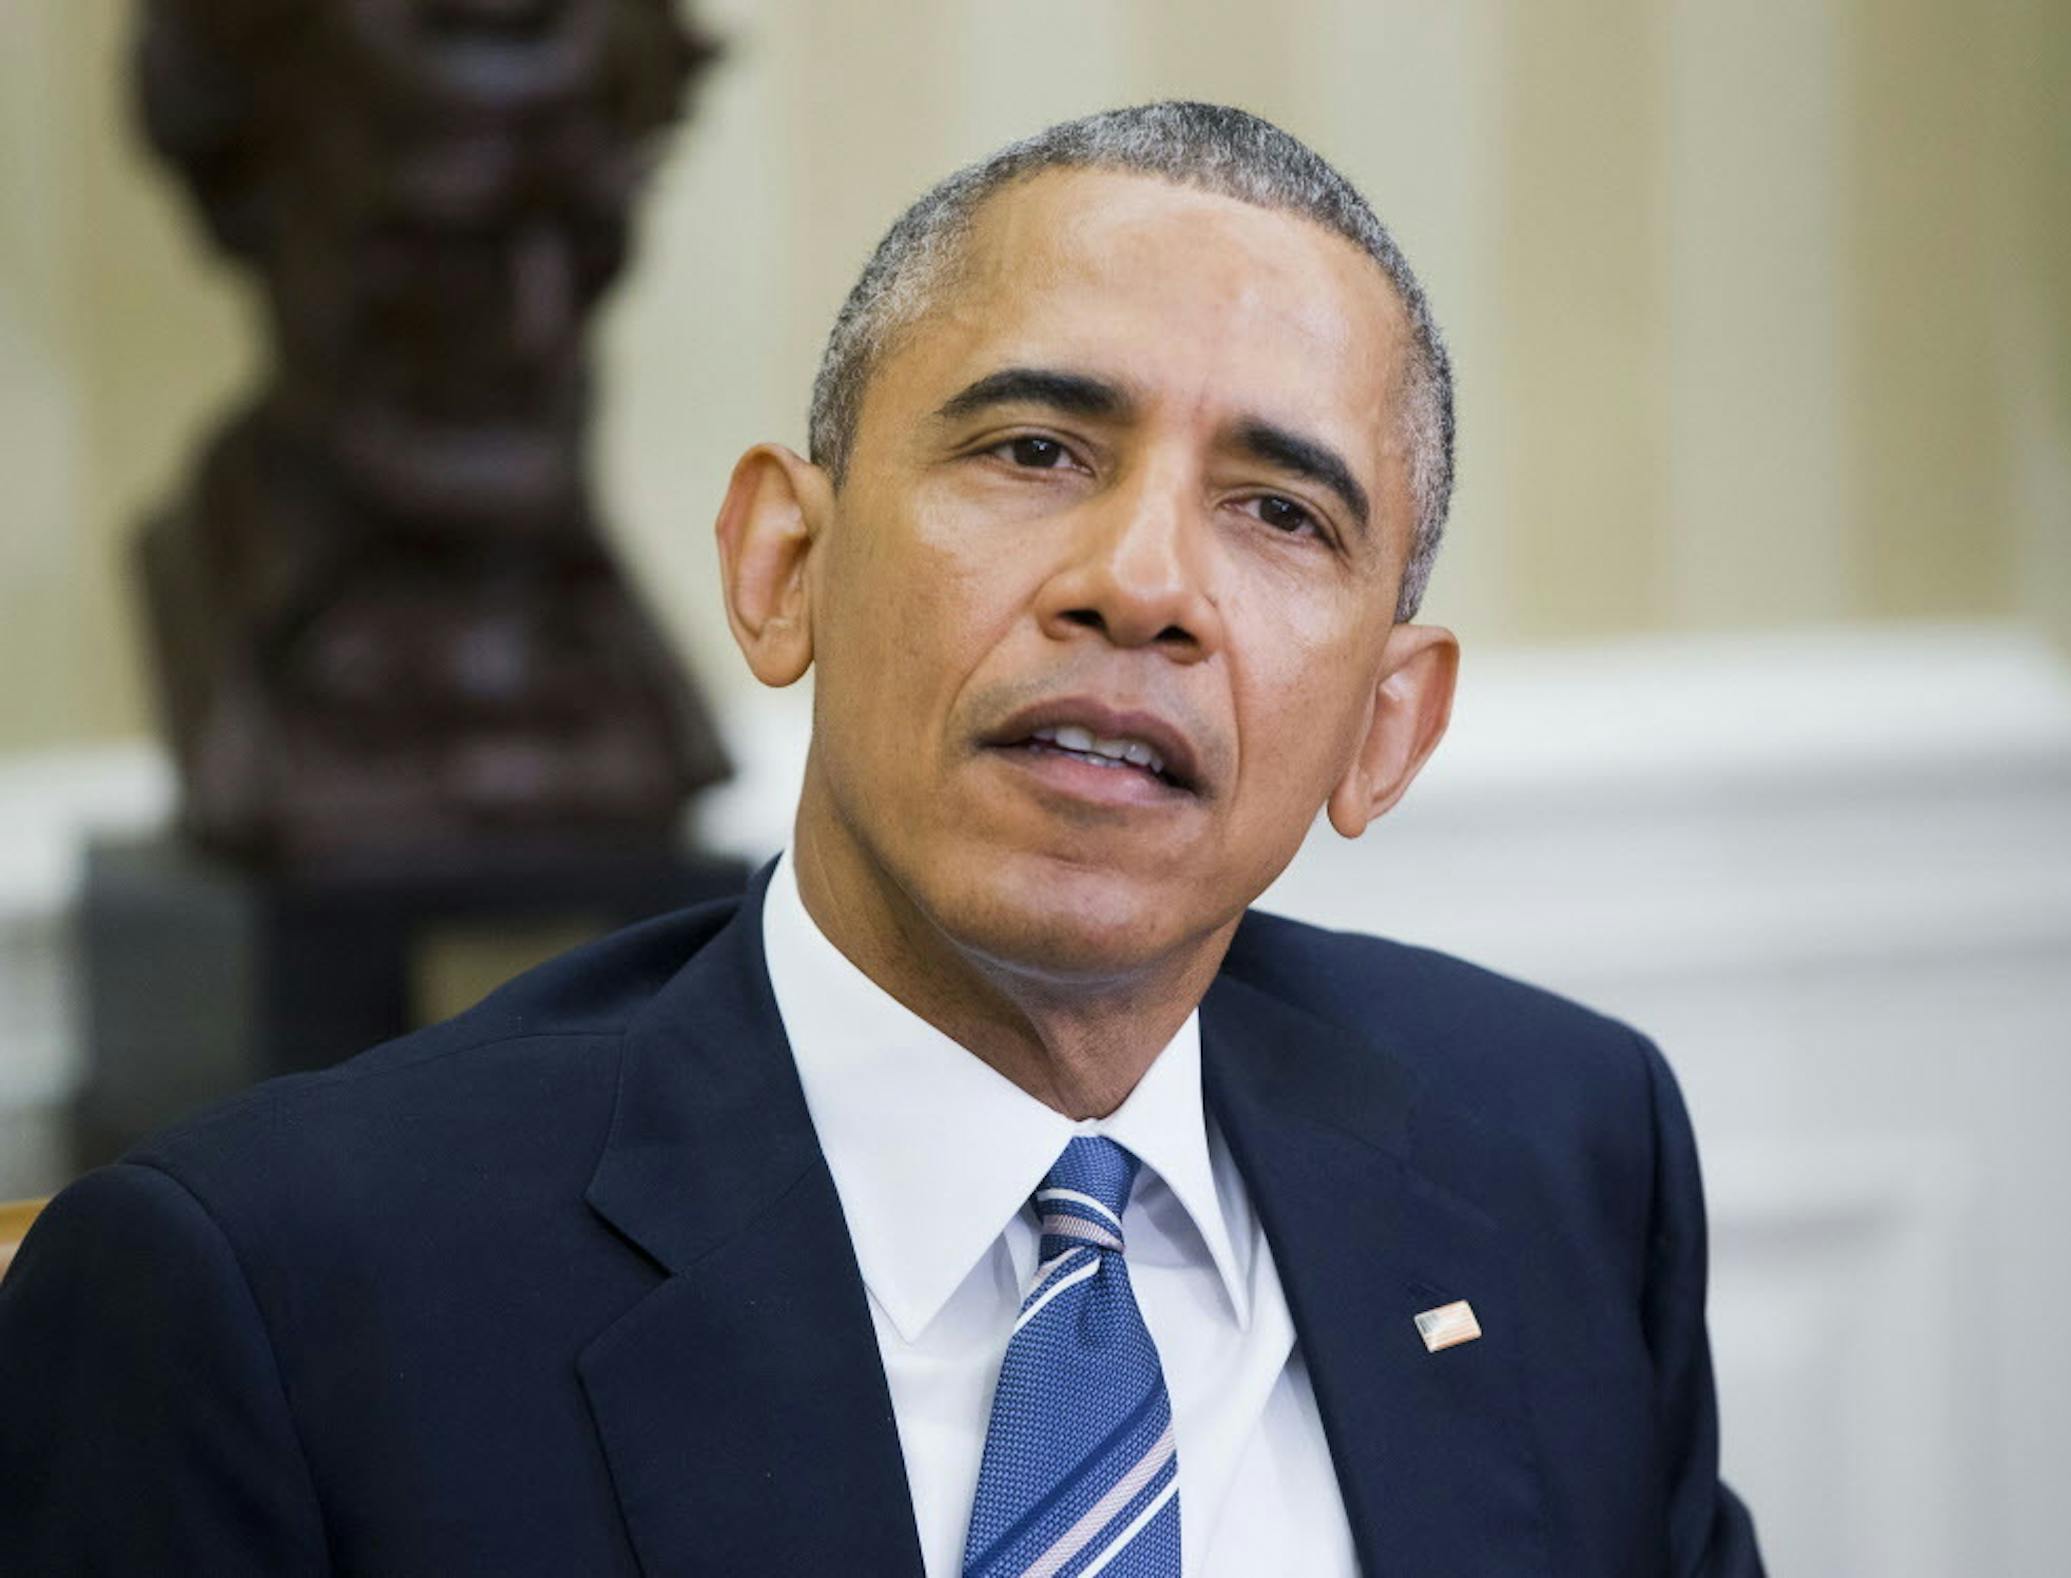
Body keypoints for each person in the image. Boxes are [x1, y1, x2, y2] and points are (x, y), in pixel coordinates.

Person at [0, 103, 1764, 1576]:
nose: (1141, 584)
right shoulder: (272, 1302)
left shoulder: (1561, 1156)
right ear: (782, 568)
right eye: (1035, 447)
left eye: (1279, 509)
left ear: (1388, 726)